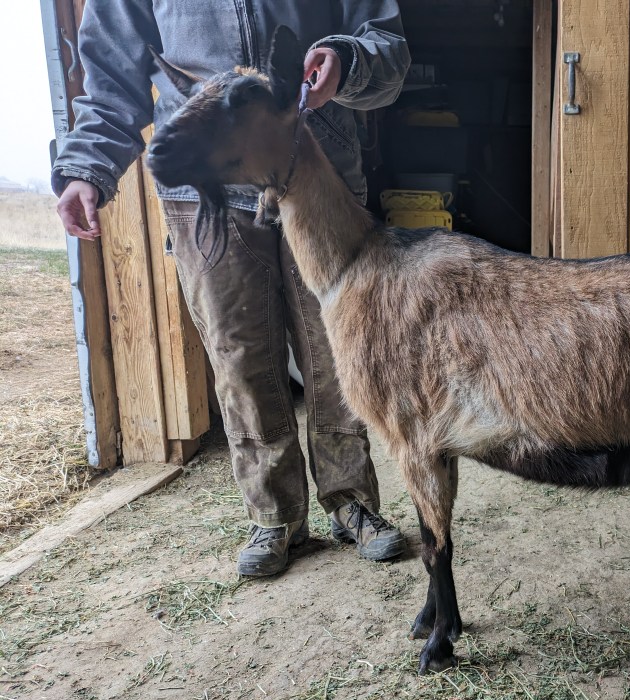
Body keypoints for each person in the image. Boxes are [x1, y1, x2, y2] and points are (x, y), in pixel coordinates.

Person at [53, 2, 411, 577]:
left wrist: (347, 61)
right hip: (206, 190)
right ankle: (275, 517)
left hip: (314, 179)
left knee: (335, 351)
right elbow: (110, 77)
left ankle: (354, 502)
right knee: (237, 356)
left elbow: (388, 50)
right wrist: (86, 167)